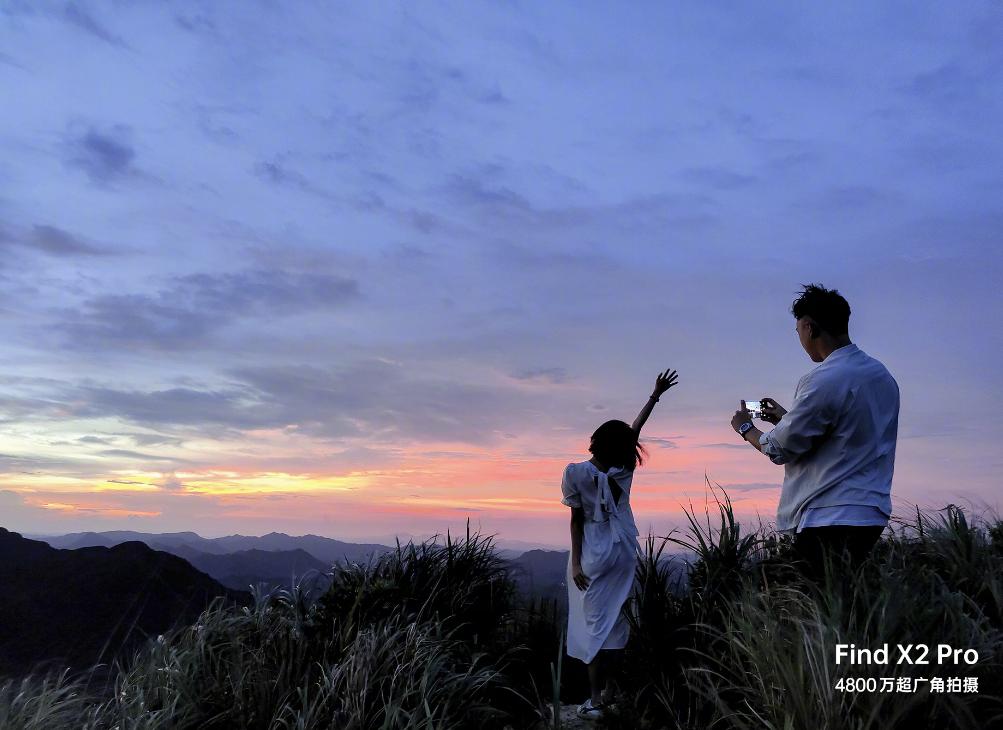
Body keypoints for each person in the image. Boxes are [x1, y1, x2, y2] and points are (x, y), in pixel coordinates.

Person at [730, 284, 899, 580]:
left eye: (798, 331)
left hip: (830, 514)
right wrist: (786, 418)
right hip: (870, 511)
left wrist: (746, 428)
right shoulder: (881, 375)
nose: (800, 339)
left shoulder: (824, 379)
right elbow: (843, 433)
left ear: (809, 327)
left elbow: (778, 447)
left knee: (810, 597)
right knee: (846, 594)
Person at [561, 367, 678, 719]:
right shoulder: (624, 469)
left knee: (593, 625)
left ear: (595, 440)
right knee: (617, 619)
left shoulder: (575, 473)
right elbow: (634, 433)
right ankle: (611, 691)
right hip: (624, 549)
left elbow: (576, 520)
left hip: (594, 552)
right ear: (623, 447)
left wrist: (576, 563)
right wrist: (654, 396)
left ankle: (595, 700)